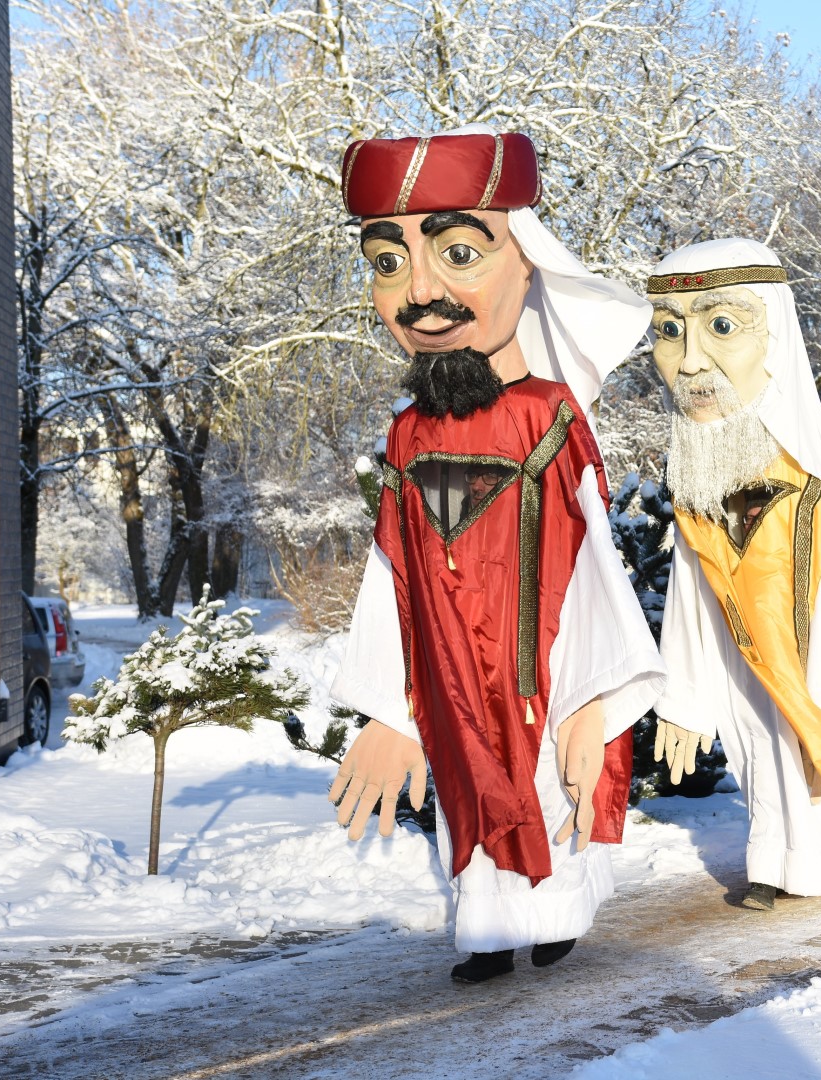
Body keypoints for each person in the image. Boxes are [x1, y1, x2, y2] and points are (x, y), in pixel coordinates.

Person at [326, 127, 665, 983]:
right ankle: (488, 924)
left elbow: (593, 566)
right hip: (447, 674)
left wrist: (592, 698)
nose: (420, 293)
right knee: (465, 790)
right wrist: (391, 709)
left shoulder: (547, 415)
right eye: (389, 263)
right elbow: (390, 572)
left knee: (547, 787)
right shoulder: (407, 433)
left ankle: (555, 916)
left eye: (459, 254)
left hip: (537, 664)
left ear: (528, 264)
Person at [646, 238, 821, 911]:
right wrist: (683, 698)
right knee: (757, 745)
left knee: (811, 746)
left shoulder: (805, 487)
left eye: (721, 326)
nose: (690, 361)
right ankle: (773, 857)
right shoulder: (699, 476)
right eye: (669, 332)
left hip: (814, 667)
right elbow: (690, 593)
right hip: (742, 662)